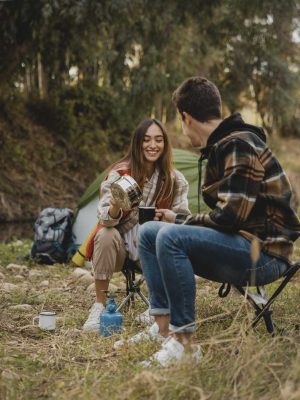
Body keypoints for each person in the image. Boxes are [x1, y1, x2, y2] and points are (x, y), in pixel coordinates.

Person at [119, 77, 300, 366]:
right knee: (151, 231)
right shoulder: (227, 144)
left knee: (170, 236)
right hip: (242, 242)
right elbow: (230, 216)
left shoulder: (238, 145)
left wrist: (181, 223)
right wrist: (179, 218)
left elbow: (230, 217)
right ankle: (163, 327)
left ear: (186, 117)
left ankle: (185, 345)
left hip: (265, 255)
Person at [83, 118, 190, 331]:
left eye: (158, 140)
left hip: (151, 249)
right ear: (137, 143)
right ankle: (99, 306)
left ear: (165, 144)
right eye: (147, 140)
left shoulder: (175, 180)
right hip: (120, 248)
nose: (153, 145)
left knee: (168, 236)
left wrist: (170, 216)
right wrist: (114, 207)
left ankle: (157, 307)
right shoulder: (120, 174)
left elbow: (184, 222)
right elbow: (103, 217)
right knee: (105, 233)